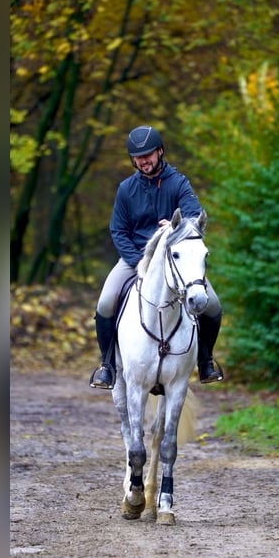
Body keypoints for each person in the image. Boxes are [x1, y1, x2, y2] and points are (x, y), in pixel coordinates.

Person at [89, 125, 224, 389]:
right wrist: (137, 261)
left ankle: (205, 361)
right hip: (135, 260)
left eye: (148, 155)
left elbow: (194, 216)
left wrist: (177, 226)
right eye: (138, 157)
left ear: (160, 151)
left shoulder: (179, 183)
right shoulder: (126, 189)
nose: (144, 161)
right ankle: (107, 366)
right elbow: (118, 230)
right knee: (105, 302)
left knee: (213, 306)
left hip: (175, 261)